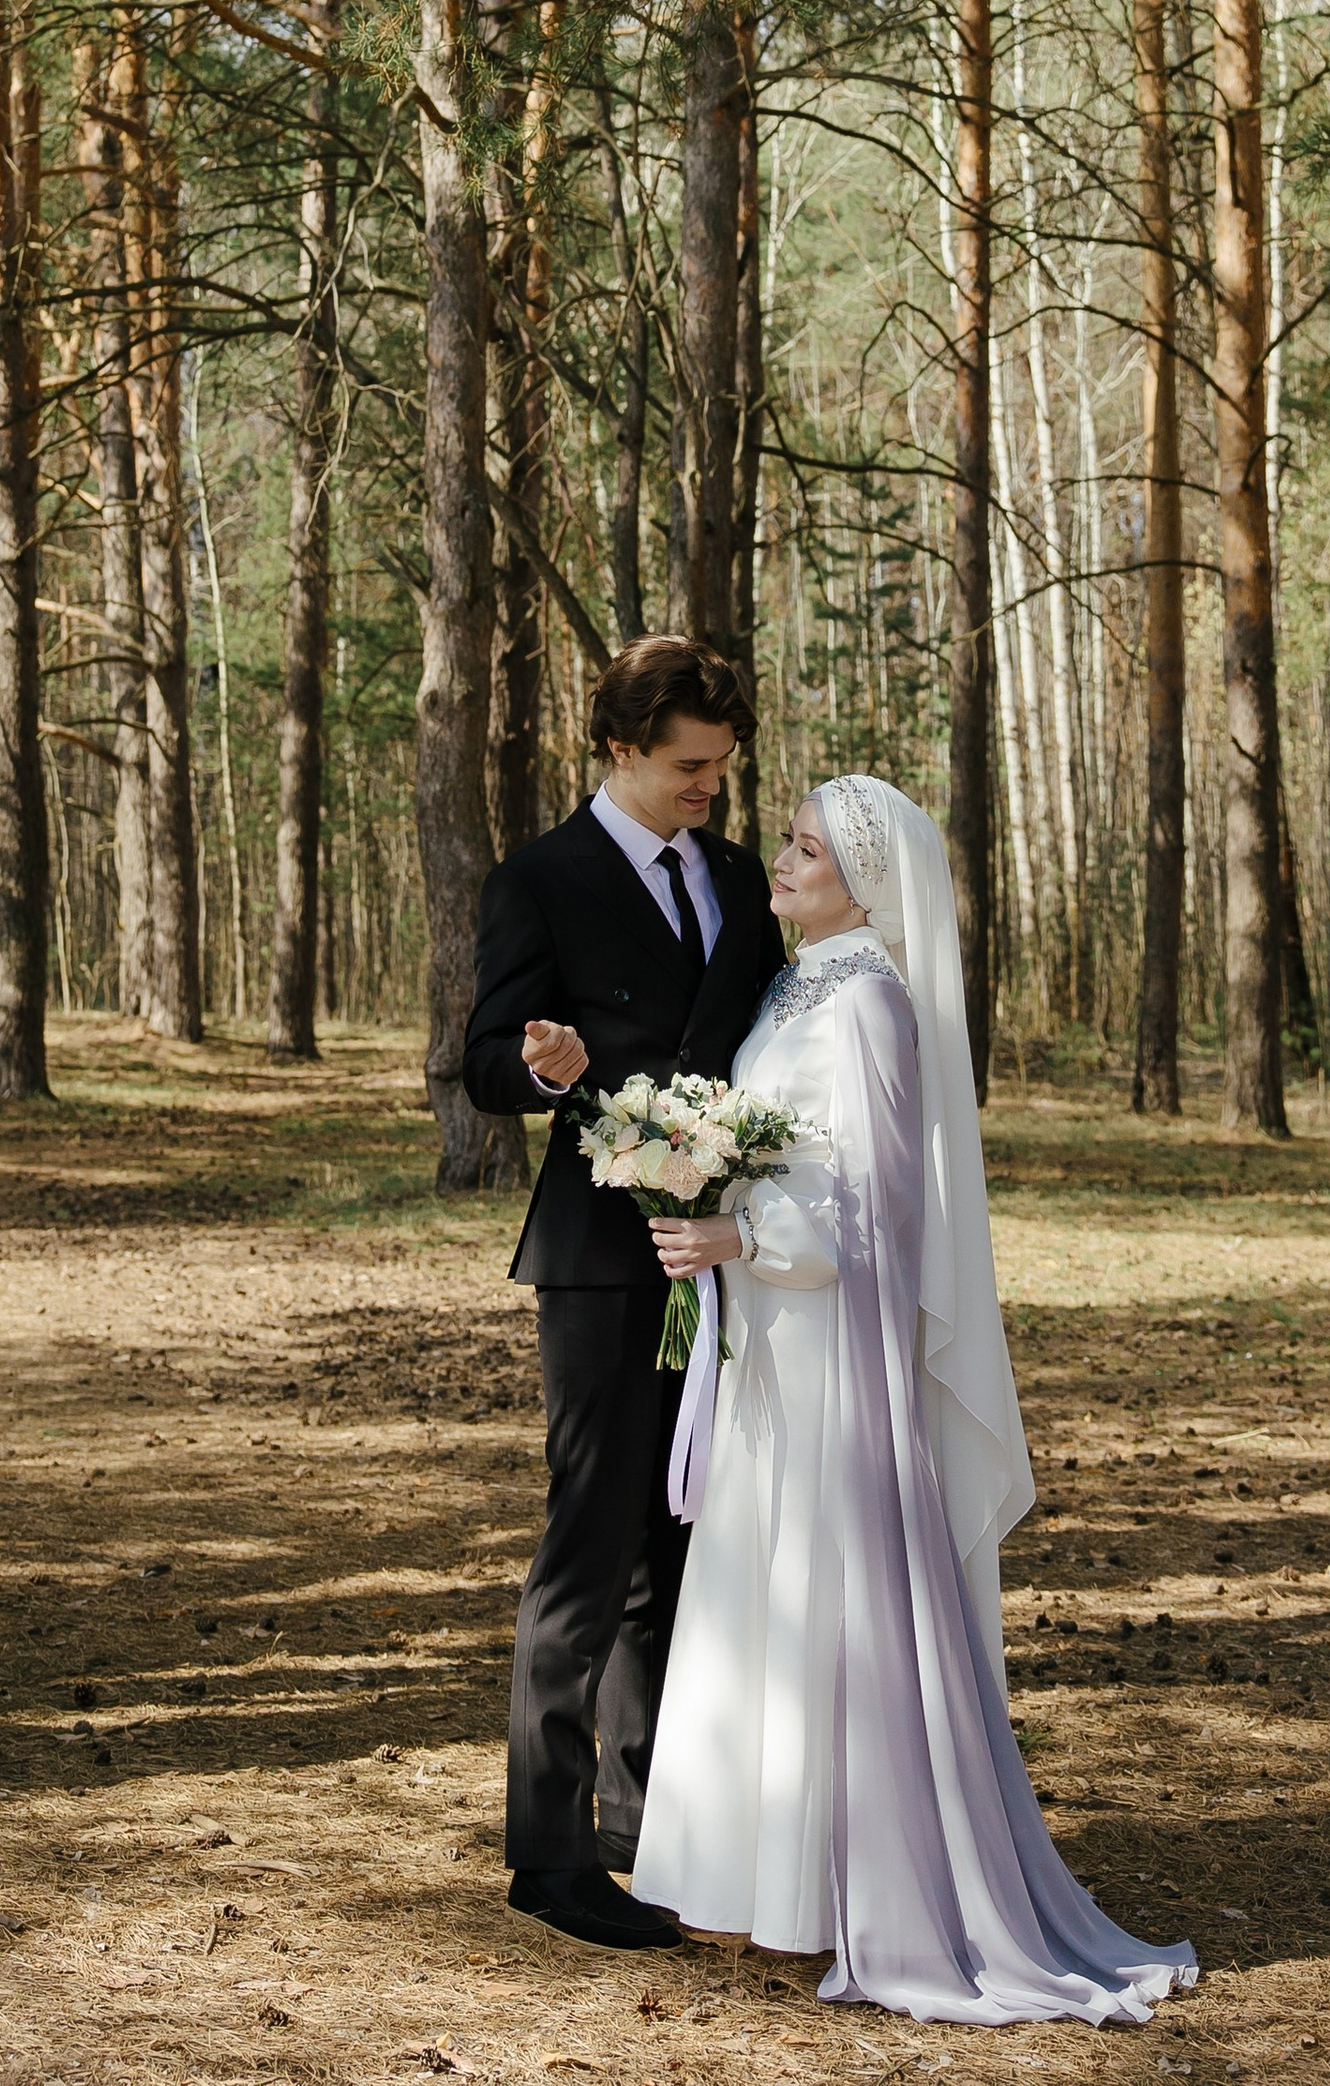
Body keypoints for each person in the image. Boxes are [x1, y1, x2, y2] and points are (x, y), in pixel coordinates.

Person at [628, 773, 1199, 2027]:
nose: (781, 863)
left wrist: (742, 1236)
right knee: (753, 1584)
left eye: (810, 852)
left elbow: (881, 1208)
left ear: (869, 883)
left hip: (829, 1335)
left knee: (822, 1590)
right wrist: (697, 1181)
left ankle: (849, 1889)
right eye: (785, 842)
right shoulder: (794, 983)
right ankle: (752, 1880)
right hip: (770, 1335)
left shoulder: (873, 1003)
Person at [462, 636, 784, 1952]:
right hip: (600, 1258)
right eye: (689, 767)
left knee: (682, 1543)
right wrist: (538, 1066)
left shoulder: (743, 878)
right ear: (622, 751)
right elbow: (480, 1058)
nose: (711, 788)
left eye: (721, 767)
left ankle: (645, 1829)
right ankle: (549, 1855)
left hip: (723, 1251)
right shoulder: (538, 879)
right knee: (590, 1548)